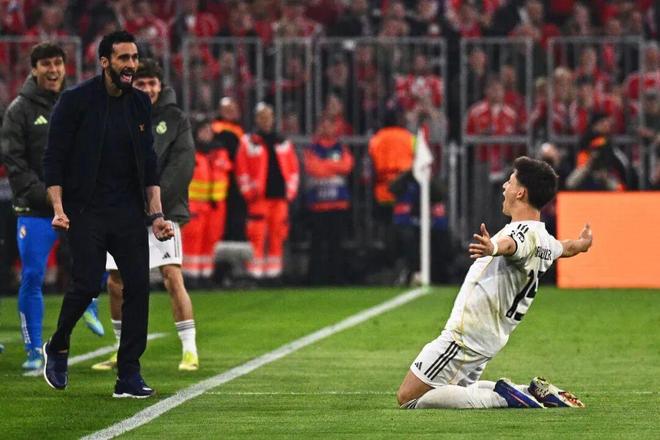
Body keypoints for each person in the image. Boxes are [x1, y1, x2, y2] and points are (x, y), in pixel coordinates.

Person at [396, 156, 593, 410]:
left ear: (520, 192)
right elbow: (565, 248)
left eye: (510, 181)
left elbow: (512, 245)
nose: (504, 186)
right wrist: (582, 244)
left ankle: (503, 397)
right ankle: (531, 392)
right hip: (489, 335)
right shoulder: (545, 239)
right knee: (458, 392)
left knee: (408, 398)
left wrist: (493, 248)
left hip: (466, 336)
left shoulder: (521, 233)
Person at [41, 31, 173, 398]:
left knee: (139, 287)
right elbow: (53, 159)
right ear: (104, 62)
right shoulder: (75, 101)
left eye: (134, 58)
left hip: (128, 211)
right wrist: (58, 208)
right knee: (87, 284)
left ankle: (128, 374)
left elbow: (149, 164)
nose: (131, 65)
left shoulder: (140, 103)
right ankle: (59, 343)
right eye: (123, 59)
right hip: (85, 210)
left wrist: (157, 215)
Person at [0, 42, 104, 372]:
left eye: (58, 63)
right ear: (34, 69)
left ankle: (90, 302)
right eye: (46, 64)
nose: (53, 69)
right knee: (33, 275)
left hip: (74, 205)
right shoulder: (19, 110)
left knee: (98, 259)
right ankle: (34, 350)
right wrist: (50, 196)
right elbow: (15, 163)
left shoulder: (75, 103)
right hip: (36, 208)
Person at [90, 58, 197, 372]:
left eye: (152, 83)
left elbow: (181, 166)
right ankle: (120, 350)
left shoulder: (175, 118)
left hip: (163, 212)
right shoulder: (113, 113)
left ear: (160, 86)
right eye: (141, 83)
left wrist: (153, 205)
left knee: (171, 275)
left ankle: (189, 350)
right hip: (122, 211)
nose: (147, 88)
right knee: (115, 281)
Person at [235, 103, 299, 279]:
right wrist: (249, 193)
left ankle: (273, 273)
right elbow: (242, 170)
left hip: (279, 197)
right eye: (262, 117)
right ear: (256, 119)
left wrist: (290, 192)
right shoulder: (248, 142)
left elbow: (293, 169)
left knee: (277, 235)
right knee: (256, 235)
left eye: (268, 116)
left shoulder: (283, 142)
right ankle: (254, 274)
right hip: (259, 198)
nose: (266, 120)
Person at [303, 115, 354, 285]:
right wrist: (333, 166)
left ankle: (336, 278)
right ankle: (315, 279)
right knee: (317, 244)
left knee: (336, 243)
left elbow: (347, 166)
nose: (327, 129)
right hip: (318, 203)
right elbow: (313, 168)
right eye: (324, 125)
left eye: (330, 125)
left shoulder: (341, 148)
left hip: (338, 203)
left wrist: (325, 165)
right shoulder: (312, 148)